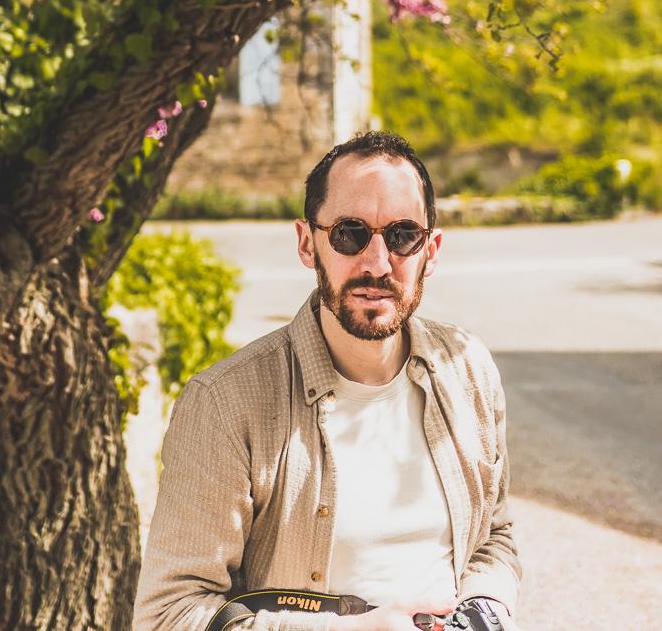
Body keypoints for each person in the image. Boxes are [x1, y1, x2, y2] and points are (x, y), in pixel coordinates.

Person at [132, 131, 522, 631]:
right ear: (306, 243)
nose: (377, 263)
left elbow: (494, 533)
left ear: (432, 250)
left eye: (403, 235)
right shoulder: (225, 404)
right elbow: (169, 614)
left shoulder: (469, 370)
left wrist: (486, 609)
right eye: (349, 233)